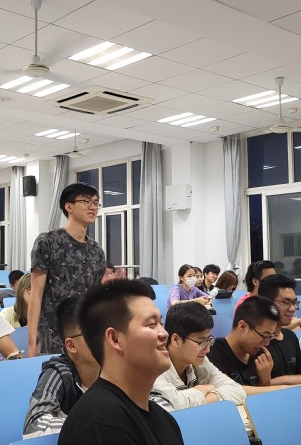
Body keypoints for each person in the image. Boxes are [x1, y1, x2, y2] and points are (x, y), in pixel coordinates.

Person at [57, 280, 183, 445]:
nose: (164, 333)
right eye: (151, 325)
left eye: (161, 323)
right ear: (115, 339)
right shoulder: (99, 423)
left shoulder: (164, 419)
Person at [28, 182, 106, 356]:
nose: (93, 207)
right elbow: (36, 294)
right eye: (86, 201)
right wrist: (33, 342)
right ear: (68, 206)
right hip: (51, 333)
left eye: (96, 202)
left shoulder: (96, 251)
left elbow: (93, 300)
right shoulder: (47, 241)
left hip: (83, 332)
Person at [23, 295, 100, 438]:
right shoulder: (58, 373)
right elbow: (34, 425)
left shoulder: (115, 369)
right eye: (94, 333)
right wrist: (94, 425)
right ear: (71, 345)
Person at [153, 302, 246, 409]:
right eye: (201, 342)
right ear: (176, 340)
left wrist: (203, 398)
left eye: (208, 340)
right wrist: (203, 389)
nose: (207, 349)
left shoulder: (200, 361)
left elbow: (237, 391)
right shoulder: (154, 369)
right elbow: (173, 406)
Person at [208, 296, 290, 394]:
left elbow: (264, 397)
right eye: (264, 336)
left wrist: (265, 380)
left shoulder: (261, 356)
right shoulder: (213, 353)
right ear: (243, 326)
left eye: (270, 336)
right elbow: (229, 394)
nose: (267, 343)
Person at [258, 275, 301, 385]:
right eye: (286, 302)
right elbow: (252, 388)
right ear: (267, 303)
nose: (292, 308)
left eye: (294, 303)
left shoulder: (290, 336)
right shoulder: (256, 342)